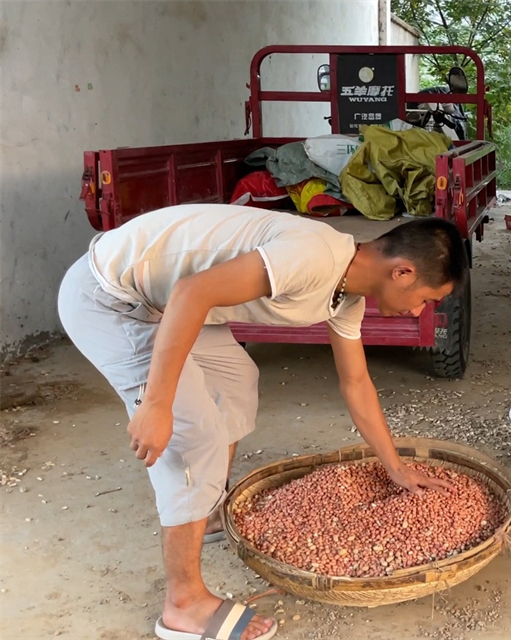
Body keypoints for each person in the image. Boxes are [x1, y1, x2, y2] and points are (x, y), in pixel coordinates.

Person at [57, 203, 468, 640]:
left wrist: (396, 467)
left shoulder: (344, 295)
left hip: (167, 302)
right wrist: (157, 403)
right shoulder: (314, 257)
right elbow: (192, 293)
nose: (420, 312)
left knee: (236, 383)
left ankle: (208, 510)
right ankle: (183, 604)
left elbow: (356, 383)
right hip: (114, 299)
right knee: (194, 435)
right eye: (427, 300)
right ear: (402, 272)